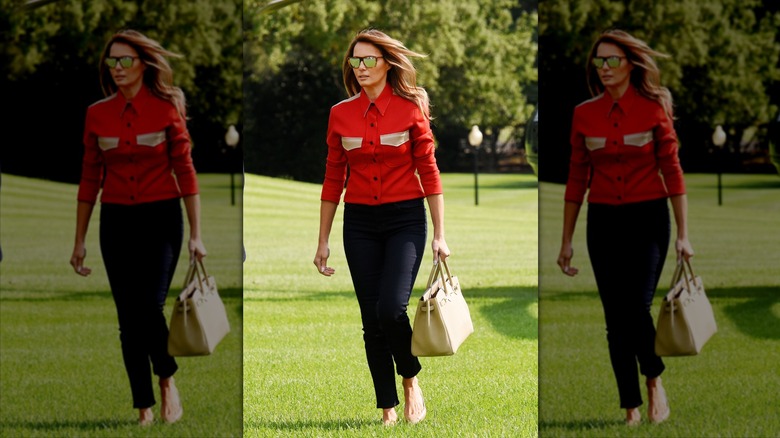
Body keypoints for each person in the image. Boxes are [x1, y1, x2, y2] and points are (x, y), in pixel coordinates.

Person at [557, 29, 694, 426]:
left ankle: (654, 380)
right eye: (599, 61)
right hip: (603, 224)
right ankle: (630, 407)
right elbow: (576, 180)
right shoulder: (584, 114)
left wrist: (684, 235)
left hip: (648, 221)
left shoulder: (654, 110)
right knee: (615, 320)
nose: (604, 68)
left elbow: (674, 173)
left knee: (635, 309)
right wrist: (566, 241)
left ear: (631, 64)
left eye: (612, 60)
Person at [313, 29, 449, 426]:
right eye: (355, 60)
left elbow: (430, 172)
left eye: (369, 59)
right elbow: (332, 178)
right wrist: (322, 240)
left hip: (405, 220)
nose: (360, 68)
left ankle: (410, 380)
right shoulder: (340, 114)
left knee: (391, 309)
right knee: (371, 318)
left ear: (388, 63)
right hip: (359, 224)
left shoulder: (410, 110)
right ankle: (387, 408)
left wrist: (440, 234)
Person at [70, 29, 206, 426]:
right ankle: (143, 407)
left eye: (125, 60)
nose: (117, 68)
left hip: (161, 220)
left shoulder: (166, 110)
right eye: (112, 61)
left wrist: (197, 235)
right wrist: (78, 241)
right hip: (116, 223)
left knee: (148, 307)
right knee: (127, 318)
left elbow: (187, 173)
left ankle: (167, 379)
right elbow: (88, 180)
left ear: (143, 64)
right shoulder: (97, 114)